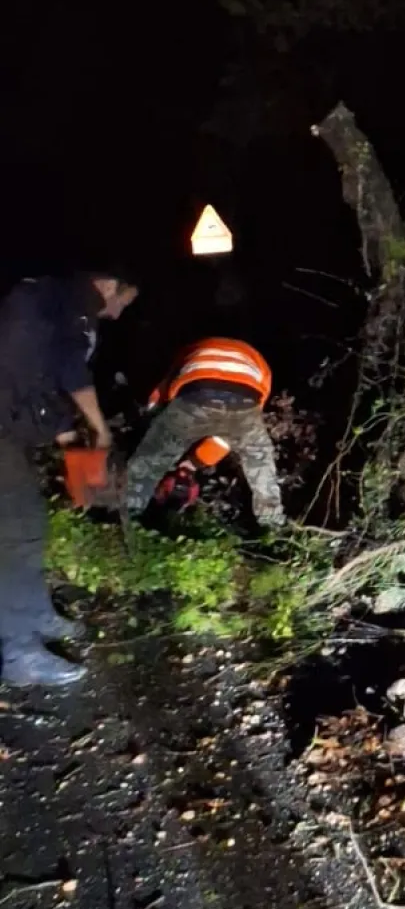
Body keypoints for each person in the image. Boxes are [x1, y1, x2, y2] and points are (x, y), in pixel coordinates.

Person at [0, 270, 138, 688]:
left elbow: (33, 378)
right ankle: (19, 652)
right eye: (124, 301)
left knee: (27, 527)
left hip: (7, 425)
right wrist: (101, 429)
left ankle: (36, 613)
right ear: (109, 285)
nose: (116, 314)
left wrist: (70, 444)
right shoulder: (74, 308)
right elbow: (69, 372)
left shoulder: (49, 299)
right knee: (18, 532)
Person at [122, 337, 284, 528]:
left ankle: (128, 512)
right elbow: (227, 438)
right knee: (259, 462)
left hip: (197, 389)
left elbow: (158, 397)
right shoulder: (256, 359)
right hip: (247, 394)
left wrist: (150, 426)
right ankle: (271, 524)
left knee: (151, 458)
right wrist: (192, 463)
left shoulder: (188, 351)